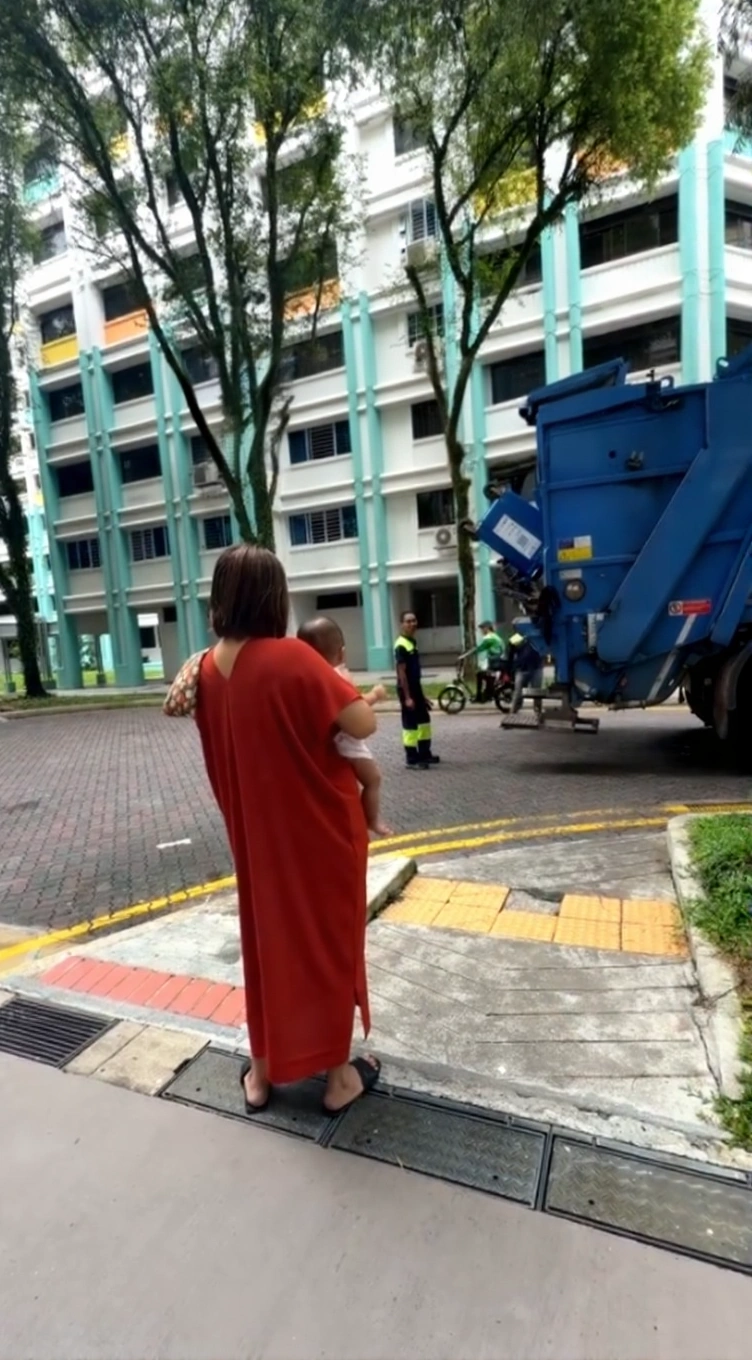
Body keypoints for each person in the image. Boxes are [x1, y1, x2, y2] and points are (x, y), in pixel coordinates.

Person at [174, 545, 381, 1116]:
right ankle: (338, 1077)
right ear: (274, 597)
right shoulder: (292, 657)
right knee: (326, 946)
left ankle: (261, 1074)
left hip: (255, 839)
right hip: (320, 834)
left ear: (221, 597)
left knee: (267, 947)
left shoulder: (206, 668)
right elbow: (362, 721)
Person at [297, 615, 391, 838]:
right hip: (348, 742)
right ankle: (373, 819)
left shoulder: (304, 678)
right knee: (373, 779)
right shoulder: (339, 676)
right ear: (342, 652)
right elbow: (355, 711)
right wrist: (375, 695)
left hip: (324, 745)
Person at [394, 610, 440, 769]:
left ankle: (424, 754)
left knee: (424, 721)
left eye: (414, 621)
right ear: (402, 624)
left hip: (415, 689)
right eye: (408, 621)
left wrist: (422, 695)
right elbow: (402, 673)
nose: (412, 624)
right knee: (410, 725)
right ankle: (412, 759)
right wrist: (407, 697)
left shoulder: (412, 642)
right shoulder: (401, 645)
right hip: (406, 690)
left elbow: (415, 674)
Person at [469, 621, 505, 703]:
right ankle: (487, 694)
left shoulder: (489, 637)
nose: (481, 631)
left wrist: (468, 653)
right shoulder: (495, 636)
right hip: (497, 661)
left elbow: (480, 648)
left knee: (480, 674)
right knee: (485, 675)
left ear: (487, 628)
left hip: (495, 662)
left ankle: (479, 696)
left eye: (482, 629)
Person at [508, 630, 543, 713]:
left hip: (535, 667)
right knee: (518, 692)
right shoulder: (517, 637)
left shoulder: (537, 636)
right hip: (523, 668)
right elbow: (510, 652)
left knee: (536, 692)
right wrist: (511, 668)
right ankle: (514, 710)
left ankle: (537, 710)